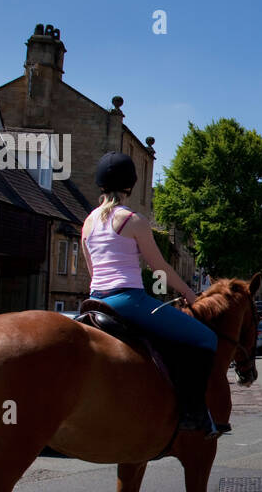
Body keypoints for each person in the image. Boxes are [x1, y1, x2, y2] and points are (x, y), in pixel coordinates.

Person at [81, 151, 223, 438]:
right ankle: (193, 413)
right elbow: (159, 268)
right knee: (206, 338)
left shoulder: (87, 223)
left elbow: (92, 271)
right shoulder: (133, 220)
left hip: (95, 300)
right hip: (128, 300)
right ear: (130, 186)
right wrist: (189, 294)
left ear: (100, 185)